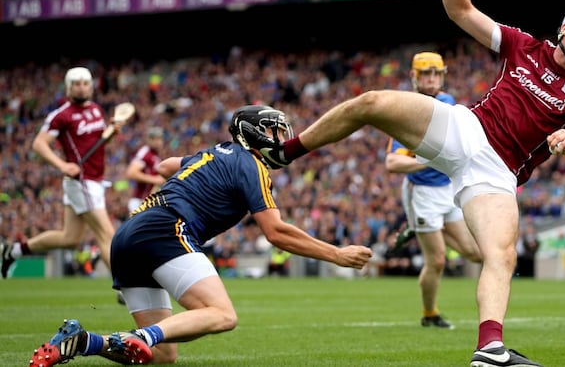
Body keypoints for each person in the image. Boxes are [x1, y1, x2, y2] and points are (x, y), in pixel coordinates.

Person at [259, 0, 565, 366]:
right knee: (371, 102)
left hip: (498, 172)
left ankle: (489, 349)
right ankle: (285, 152)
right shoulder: (524, 46)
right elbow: (462, 13)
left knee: (501, 254)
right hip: (465, 129)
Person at [28, 104, 373, 366]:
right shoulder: (251, 164)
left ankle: (84, 341)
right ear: (253, 133)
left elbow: (165, 166)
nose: (280, 140)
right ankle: (137, 336)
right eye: (274, 132)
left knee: (163, 354)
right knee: (223, 315)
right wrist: (338, 255)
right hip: (166, 228)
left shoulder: (212, 152)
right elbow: (276, 232)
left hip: (129, 233)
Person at [386, 51, 481, 330]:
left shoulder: (448, 102)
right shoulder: (405, 110)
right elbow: (392, 162)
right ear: (414, 77)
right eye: (425, 74)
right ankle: (430, 314)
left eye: (435, 74)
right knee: (437, 260)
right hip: (423, 192)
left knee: (476, 253)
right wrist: (424, 161)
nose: (430, 79)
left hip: (447, 189)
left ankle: (421, 228)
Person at [1, 67, 123, 281]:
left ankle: (14, 251)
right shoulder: (62, 115)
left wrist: (111, 132)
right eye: (76, 83)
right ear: (68, 88)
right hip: (81, 181)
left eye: (85, 83)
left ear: (91, 86)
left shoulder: (95, 109)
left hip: (95, 179)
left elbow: (97, 143)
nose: (81, 87)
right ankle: (126, 286)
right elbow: (39, 144)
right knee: (106, 234)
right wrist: (62, 165)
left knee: (70, 238)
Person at [125, 126, 166, 216]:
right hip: (139, 201)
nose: (159, 142)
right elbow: (131, 173)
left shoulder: (156, 155)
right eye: (155, 139)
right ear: (150, 140)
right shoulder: (145, 152)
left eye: (160, 138)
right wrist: (155, 179)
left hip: (148, 201)